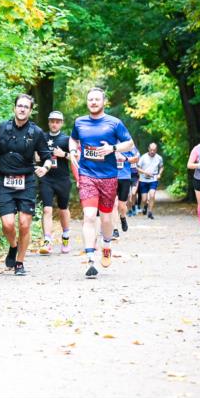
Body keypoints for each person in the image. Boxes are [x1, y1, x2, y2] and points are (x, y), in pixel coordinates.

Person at [69, 87, 134, 278]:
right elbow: (73, 140)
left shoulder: (114, 123)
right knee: (89, 216)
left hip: (108, 177)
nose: (94, 102)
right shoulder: (79, 122)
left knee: (106, 219)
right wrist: (73, 151)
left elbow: (129, 144)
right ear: (87, 102)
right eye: (90, 99)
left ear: (103, 102)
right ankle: (90, 259)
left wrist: (112, 148)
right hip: (87, 175)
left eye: (97, 99)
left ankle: (106, 245)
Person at [0, 94, 52, 275]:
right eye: (19, 106)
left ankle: (20, 263)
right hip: (5, 181)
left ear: (30, 111)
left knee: (24, 224)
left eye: (26, 107)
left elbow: (47, 157)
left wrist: (44, 168)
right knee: (8, 225)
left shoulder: (36, 132)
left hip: (27, 182)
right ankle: (13, 246)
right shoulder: (2, 128)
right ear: (14, 108)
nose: (22, 109)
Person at [37, 110, 75, 255]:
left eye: (57, 121)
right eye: (52, 121)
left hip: (63, 179)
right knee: (47, 209)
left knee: (63, 209)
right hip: (46, 179)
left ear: (61, 123)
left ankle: (65, 237)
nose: (54, 124)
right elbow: (36, 154)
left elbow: (76, 157)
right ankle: (47, 241)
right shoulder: (42, 137)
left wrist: (64, 154)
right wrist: (36, 157)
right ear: (48, 122)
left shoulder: (67, 139)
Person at [114, 146, 139, 237]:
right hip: (111, 177)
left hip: (124, 177)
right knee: (114, 204)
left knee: (121, 205)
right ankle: (115, 229)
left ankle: (123, 217)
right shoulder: (109, 142)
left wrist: (125, 158)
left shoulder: (129, 145)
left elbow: (136, 159)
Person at [137, 142, 163, 219]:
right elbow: (137, 168)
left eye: (154, 150)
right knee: (144, 199)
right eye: (151, 150)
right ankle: (145, 205)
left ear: (156, 150)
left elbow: (161, 167)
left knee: (152, 195)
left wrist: (159, 174)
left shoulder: (159, 158)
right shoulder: (143, 157)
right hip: (143, 180)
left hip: (153, 179)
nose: (152, 152)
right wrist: (145, 172)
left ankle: (150, 212)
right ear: (148, 149)